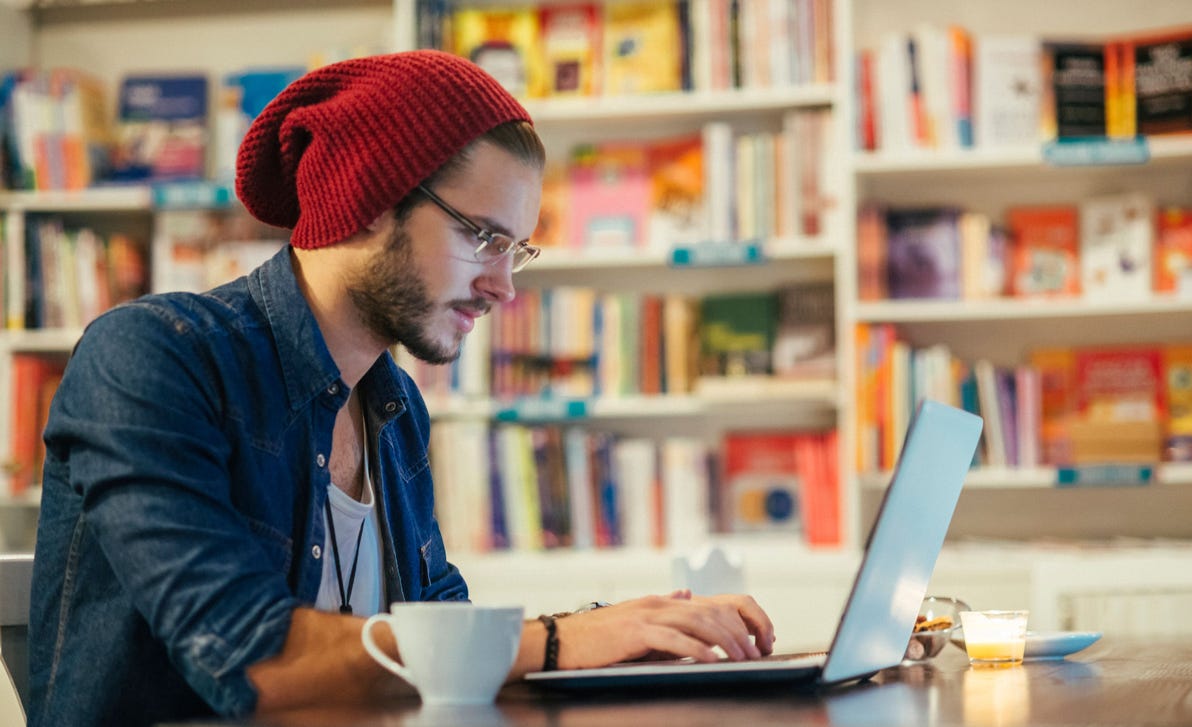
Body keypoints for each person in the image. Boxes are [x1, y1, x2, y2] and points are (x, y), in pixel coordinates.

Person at [26, 50, 775, 727]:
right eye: (481, 237)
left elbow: (451, 649)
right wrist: (560, 641)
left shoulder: (395, 407)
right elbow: (253, 658)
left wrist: (620, 639)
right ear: (368, 200)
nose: (504, 285)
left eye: (516, 249)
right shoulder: (156, 358)